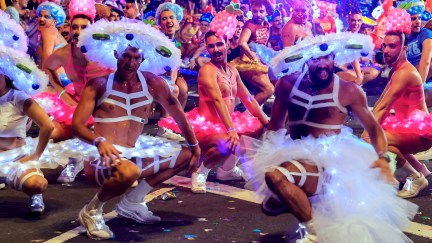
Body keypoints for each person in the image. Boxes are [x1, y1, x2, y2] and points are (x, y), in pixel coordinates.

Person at [241, 32, 417, 242]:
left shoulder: (349, 90)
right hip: (294, 150)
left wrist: (382, 157)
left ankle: (313, 233)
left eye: (327, 58)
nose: (323, 64)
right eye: (317, 59)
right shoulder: (288, 84)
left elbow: (374, 129)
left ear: (335, 58)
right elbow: (275, 125)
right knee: (269, 206)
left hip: (331, 160)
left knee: (276, 177)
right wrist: (266, 152)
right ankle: (301, 198)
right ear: (307, 58)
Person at [68, 20, 200, 240]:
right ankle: (91, 211)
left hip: (133, 154)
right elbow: (77, 125)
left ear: (143, 59)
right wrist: (99, 141)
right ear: (116, 54)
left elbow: (178, 114)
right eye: (126, 57)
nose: (130, 63)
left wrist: (195, 147)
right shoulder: (99, 84)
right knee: (129, 171)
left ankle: (133, 202)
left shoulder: (153, 83)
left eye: (136, 58)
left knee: (187, 154)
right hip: (101, 159)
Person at [159, 30, 269, 193]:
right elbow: (218, 100)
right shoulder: (207, 71)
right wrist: (231, 130)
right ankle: (201, 172)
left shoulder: (232, 69)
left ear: (227, 45)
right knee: (228, 142)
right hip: (208, 128)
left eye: (219, 44)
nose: (216, 49)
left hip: (226, 123)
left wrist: (267, 122)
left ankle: (226, 170)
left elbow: (248, 99)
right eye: (211, 46)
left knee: (258, 127)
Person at [36, 0, 110, 183]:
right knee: (51, 133)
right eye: (75, 27)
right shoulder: (65, 52)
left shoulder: (103, 52)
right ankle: (74, 160)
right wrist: (62, 94)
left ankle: (101, 159)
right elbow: (48, 68)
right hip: (76, 101)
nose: (78, 31)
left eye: (83, 27)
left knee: (102, 171)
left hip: (102, 105)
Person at [364, 29, 432, 199]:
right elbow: (380, 102)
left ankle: (416, 178)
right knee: (382, 138)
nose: (385, 50)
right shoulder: (396, 71)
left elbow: (383, 108)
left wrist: (366, 135)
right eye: (384, 46)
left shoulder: (404, 73)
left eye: (392, 46)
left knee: (377, 139)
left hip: (421, 132)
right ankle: (420, 169)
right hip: (408, 126)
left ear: (404, 49)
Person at [0, 45, 55, 215]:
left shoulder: (18, 97)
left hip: (15, 158)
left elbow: (48, 125)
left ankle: (35, 195)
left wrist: (35, 156)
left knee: (36, 184)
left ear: (6, 75)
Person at [155, 2, 188, 141]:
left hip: (170, 73)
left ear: (177, 21)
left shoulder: (175, 40)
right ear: (160, 23)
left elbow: (174, 66)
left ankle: (174, 122)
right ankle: (163, 127)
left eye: (171, 17)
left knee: (183, 88)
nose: (168, 21)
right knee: (173, 89)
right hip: (154, 74)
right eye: (164, 19)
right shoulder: (157, 38)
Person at [232, 0, 274, 105]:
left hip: (262, 62)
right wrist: (254, 59)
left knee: (261, 91)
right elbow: (242, 43)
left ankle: (252, 115)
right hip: (248, 64)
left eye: (261, 11)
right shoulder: (250, 24)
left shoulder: (266, 24)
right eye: (255, 11)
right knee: (269, 89)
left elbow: (263, 44)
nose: (258, 14)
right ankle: (248, 114)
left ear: (267, 12)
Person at [35, 2, 67, 69]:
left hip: (54, 77)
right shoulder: (54, 32)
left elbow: (47, 59)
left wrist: (43, 78)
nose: (41, 19)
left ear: (54, 22)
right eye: (40, 15)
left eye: (46, 17)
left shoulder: (48, 31)